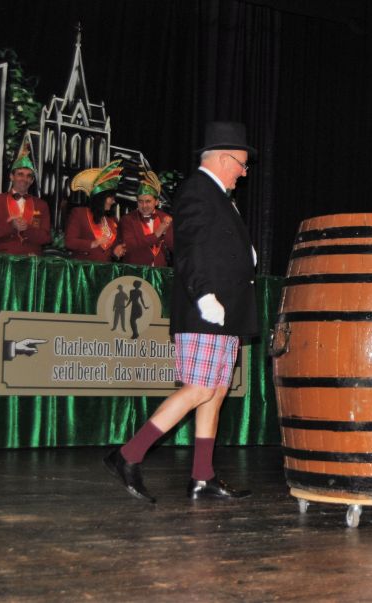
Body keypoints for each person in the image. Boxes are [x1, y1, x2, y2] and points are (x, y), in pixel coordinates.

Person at [104, 121, 258, 503]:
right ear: (224, 159)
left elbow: (216, 245)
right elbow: (189, 249)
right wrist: (204, 295)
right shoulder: (198, 191)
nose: (244, 172)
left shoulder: (217, 195)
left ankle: (202, 476)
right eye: (242, 164)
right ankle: (128, 454)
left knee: (216, 391)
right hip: (207, 308)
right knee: (201, 387)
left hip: (227, 311)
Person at [0, 142, 51, 255]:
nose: (24, 179)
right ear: (11, 176)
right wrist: (11, 226)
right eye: (20, 174)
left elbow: (46, 238)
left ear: (32, 180)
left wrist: (27, 228)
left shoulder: (41, 205)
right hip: (5, 260)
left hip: (33, 260)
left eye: (29, 176)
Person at [65, 161, 127, 262]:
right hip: (84, 268)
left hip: (105, 269)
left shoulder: (112, 220)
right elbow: (69, 242)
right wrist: (92, 243)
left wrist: (115, 252)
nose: (113, 201)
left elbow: (110, 249)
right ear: (101, 198)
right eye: (111, 197)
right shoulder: (79, 213)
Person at [118, 170, 173, 266]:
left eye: (148, 201)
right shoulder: (127, 219)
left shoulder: (165, 218)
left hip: (160, 271)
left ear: (156, 202)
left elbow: (173, 247)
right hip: (136, 271)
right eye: (140, 201)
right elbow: (130, 245)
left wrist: (166, 233)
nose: (144, 206)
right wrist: (156, 234)